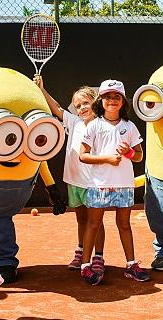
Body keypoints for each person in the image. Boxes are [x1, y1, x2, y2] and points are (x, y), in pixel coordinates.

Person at [79, 79, 150, 285]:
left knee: (124, 224)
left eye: (116, 97)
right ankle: (85, 266)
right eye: (107, 97)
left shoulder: (129, 126)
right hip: (98, 184)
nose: (112, 100)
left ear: (122, 101)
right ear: (100, 101)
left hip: (124, 184)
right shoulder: (93, 126)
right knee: (93, 224)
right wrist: (107, 159)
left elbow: (139, 156)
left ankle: (131, 265)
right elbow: (83, 156)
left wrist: (128, 152)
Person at [34, 74, 106, 273]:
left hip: (94, 184)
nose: (82, 108)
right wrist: (41, 89)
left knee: (96, 222)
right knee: (81, 220)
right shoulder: (73, 122)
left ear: (95, 102)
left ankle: (98, 256)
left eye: (86, 103)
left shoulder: (103, 126)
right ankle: (81, 252)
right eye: (78, 105)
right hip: (74, 182)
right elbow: (56, 107)